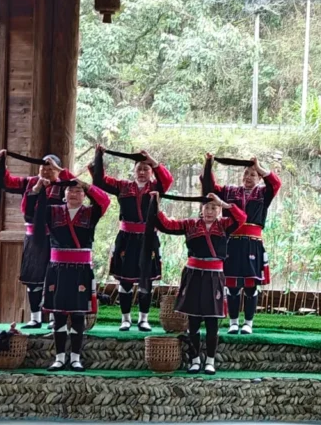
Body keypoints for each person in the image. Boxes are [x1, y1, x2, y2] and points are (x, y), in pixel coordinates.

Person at [151, 191, 245, 374]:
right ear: (201, 209)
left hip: (214, 276)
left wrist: (225, 204)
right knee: (193, 321)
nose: (210, 211)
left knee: (212, 322)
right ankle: (195, 360)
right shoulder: (190, 225)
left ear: (218, 210)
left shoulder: (225, 224)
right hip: (193, 275)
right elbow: (166, 225)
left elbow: (241, 218)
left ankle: (210, 361)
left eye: (214, 207)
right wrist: (156, 204)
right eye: (207, 207)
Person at [31, 178, 110, 372]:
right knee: (58, 316)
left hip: (81, 270)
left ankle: (75, 358)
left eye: (78, 191)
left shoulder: (91, 213)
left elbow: (104, 200)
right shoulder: (52, 211)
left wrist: (86, 184)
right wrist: (38, 189)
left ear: (84, 195)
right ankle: (58, 358)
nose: (73, 194)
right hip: (57, 269)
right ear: (63, 194)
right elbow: (30, 210)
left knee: (77, 315)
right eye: (70, 190)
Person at [92, 146, 173, 331]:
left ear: (151, 172)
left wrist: (151, 158)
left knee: (146, 281)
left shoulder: (157, 187)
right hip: (126, 239)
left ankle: (143, 319)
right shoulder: (123, 187)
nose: (142, 172)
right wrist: (99, 156)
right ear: (134, 171)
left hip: (148, 238)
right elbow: (99, 181)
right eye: (139, 169)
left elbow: (168, 179)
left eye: (146, 169)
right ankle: (125, 319)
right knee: (125, 280)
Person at [0, 150, 74, 329]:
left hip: (56, 239)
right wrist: (1, 163)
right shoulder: (30, 182)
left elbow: (77, 183)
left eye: (50, 168)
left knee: (55, 279)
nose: (45, 172)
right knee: (33, 280)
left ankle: (54, 318)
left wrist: (59, 170)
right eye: (43, 168)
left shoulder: (65, 185)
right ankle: (35, 318)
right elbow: (6, 182)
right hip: (34, 239)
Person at [202, 154, 280, 335]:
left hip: (253, 243)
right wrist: (208, 165)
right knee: (232, 285)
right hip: (232, 243)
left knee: (251, 285)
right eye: (246, 173)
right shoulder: (229, 192)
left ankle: (248, 323)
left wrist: (258, 166)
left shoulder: (263, 193)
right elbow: (210, 187)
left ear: (259, 178)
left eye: (253, 174)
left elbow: (275, 183)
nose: (248, 177)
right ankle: (234, 322)